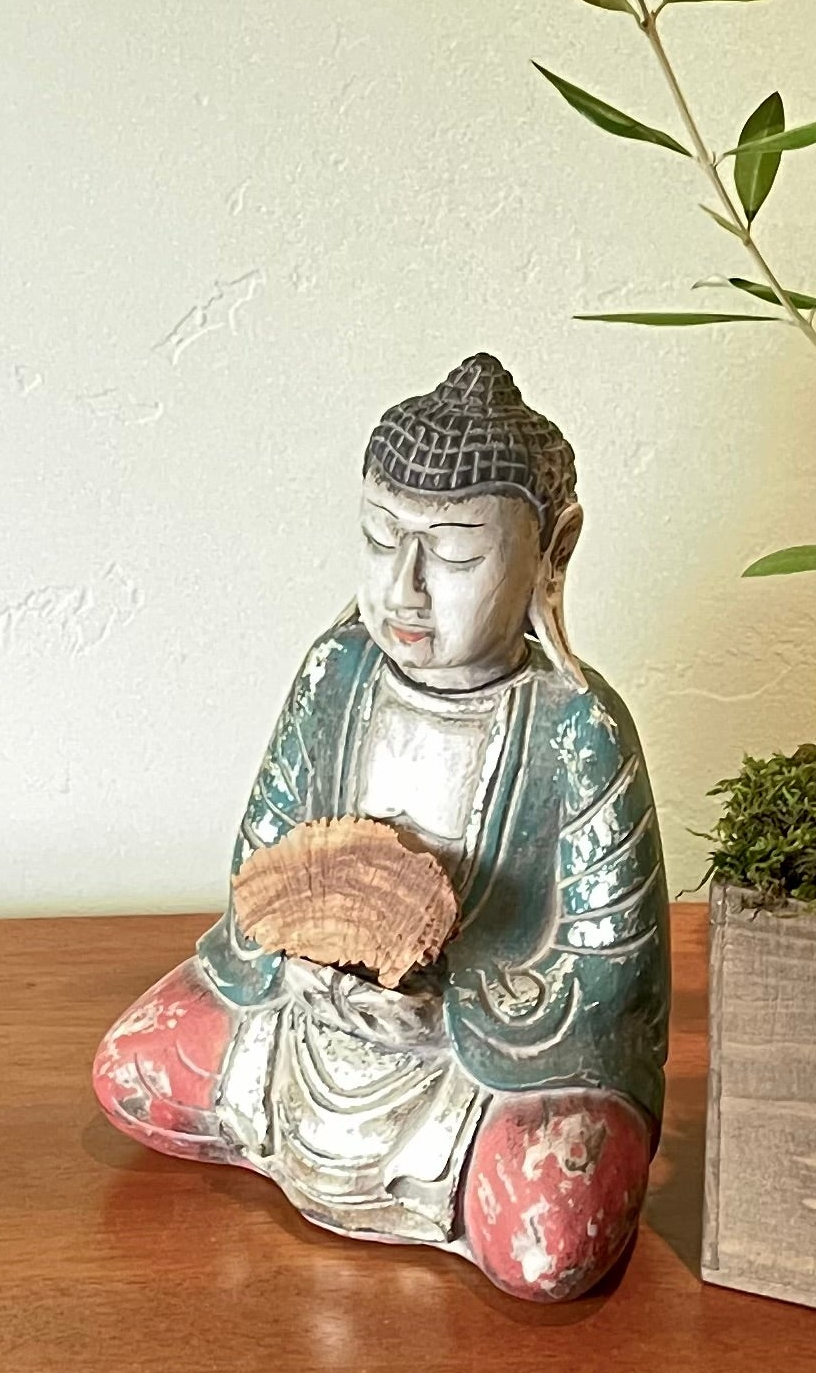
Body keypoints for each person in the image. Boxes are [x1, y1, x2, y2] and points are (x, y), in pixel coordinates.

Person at [93, 354, 670, 1301]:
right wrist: (299, 966)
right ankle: (289, 1130)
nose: (405, 589)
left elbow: (608, 972)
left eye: (450, 554)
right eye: (379, 538)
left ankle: (450, 1185)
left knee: (549, 1245)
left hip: (482, 1067)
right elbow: (263, 862)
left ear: (552, 549)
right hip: (305, 1022)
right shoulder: (337, 672)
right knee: (129, 1072)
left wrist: (445, 1010)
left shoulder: (578, 729)